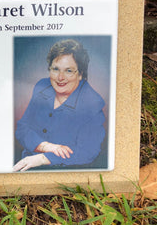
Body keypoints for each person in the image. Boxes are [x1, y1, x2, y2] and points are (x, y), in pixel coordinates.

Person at [13, 39, 106, 172]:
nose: (60, 77)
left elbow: (87, 152)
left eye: (68, 71)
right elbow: (22, 128)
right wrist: (47, 146)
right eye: (56, 69)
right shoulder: (42, 87)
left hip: (62, 175)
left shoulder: (92, 104)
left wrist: (42, 158)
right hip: (24, 166)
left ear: (80, 74)